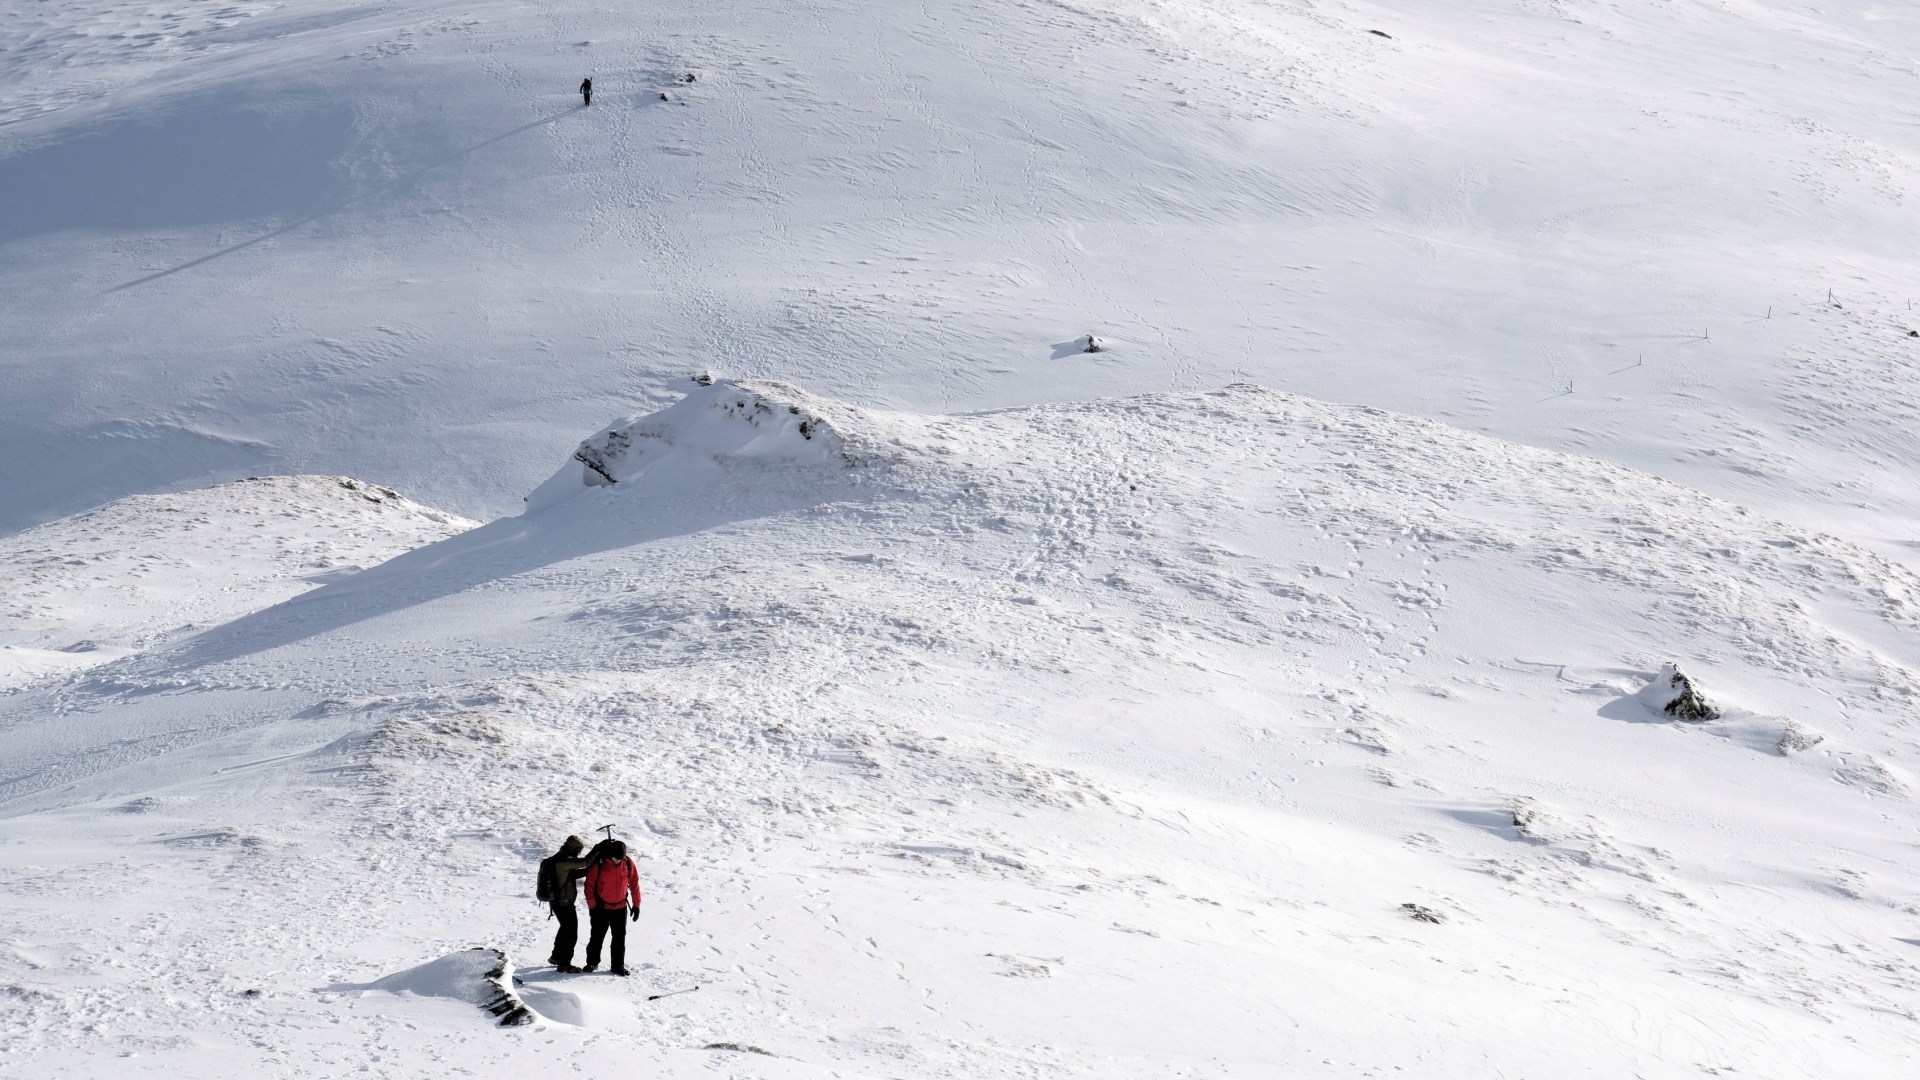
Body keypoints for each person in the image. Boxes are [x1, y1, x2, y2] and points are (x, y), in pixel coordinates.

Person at [582, 839, 642, 976]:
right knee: (597, 938)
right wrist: (593, 907)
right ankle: (592, 962)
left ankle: (617, 966)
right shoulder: (599, 864)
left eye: (621, 858)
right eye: (616, 858)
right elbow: (589, 887)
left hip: (620, 908)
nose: (618, 861)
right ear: (610, 854)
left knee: (619, 939)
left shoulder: (627, 863)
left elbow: (634, 884)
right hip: (601, 909)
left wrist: (636, 905)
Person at [539, 835, 593, 972]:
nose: (579, 852)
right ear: (574, 849)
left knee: (564, 929)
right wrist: (599, 850)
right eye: (579, 849)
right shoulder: (563, 861)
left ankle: (556, 957)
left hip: (557, 902)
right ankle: (564, 964)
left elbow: (572, 874)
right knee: (571, 934)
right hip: (564, 903)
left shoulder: (557, 859)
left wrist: (589, 870)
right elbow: (585, 862)